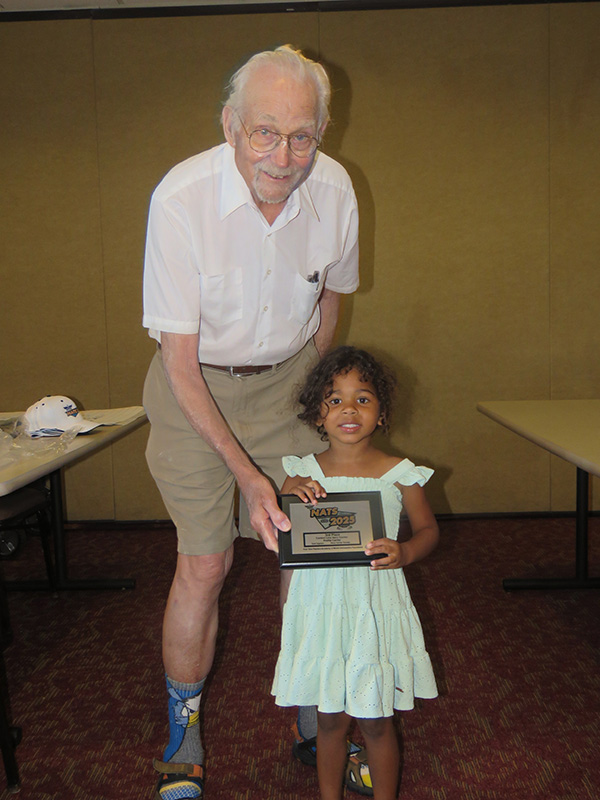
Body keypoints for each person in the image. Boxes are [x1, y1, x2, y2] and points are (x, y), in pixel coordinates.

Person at [142, 46, 362, 799]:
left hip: (287, 386)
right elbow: (178, 358)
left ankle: (315, 718)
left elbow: (331, 300)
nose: (284, 155)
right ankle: (182, 729)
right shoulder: (181, 199)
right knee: (206, 564)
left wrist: (316, 400)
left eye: (303, 135)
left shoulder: (334, 189)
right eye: (265, 132)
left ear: (324, 131)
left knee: (315, 557)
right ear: (230, 125)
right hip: (192, 386)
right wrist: (246, 474)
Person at [272, 346, 439, 800]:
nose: (349, 409)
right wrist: (291, 499)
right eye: (334, 399)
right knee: (329, 718)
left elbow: (428, 531)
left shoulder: (400, 474)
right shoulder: (299, 473)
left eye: (363, 399)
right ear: (317, 414)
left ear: (382, 413)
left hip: (374, 606)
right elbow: (281, 538)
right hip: (322, 607)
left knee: (378, 719)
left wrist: (404, 551)